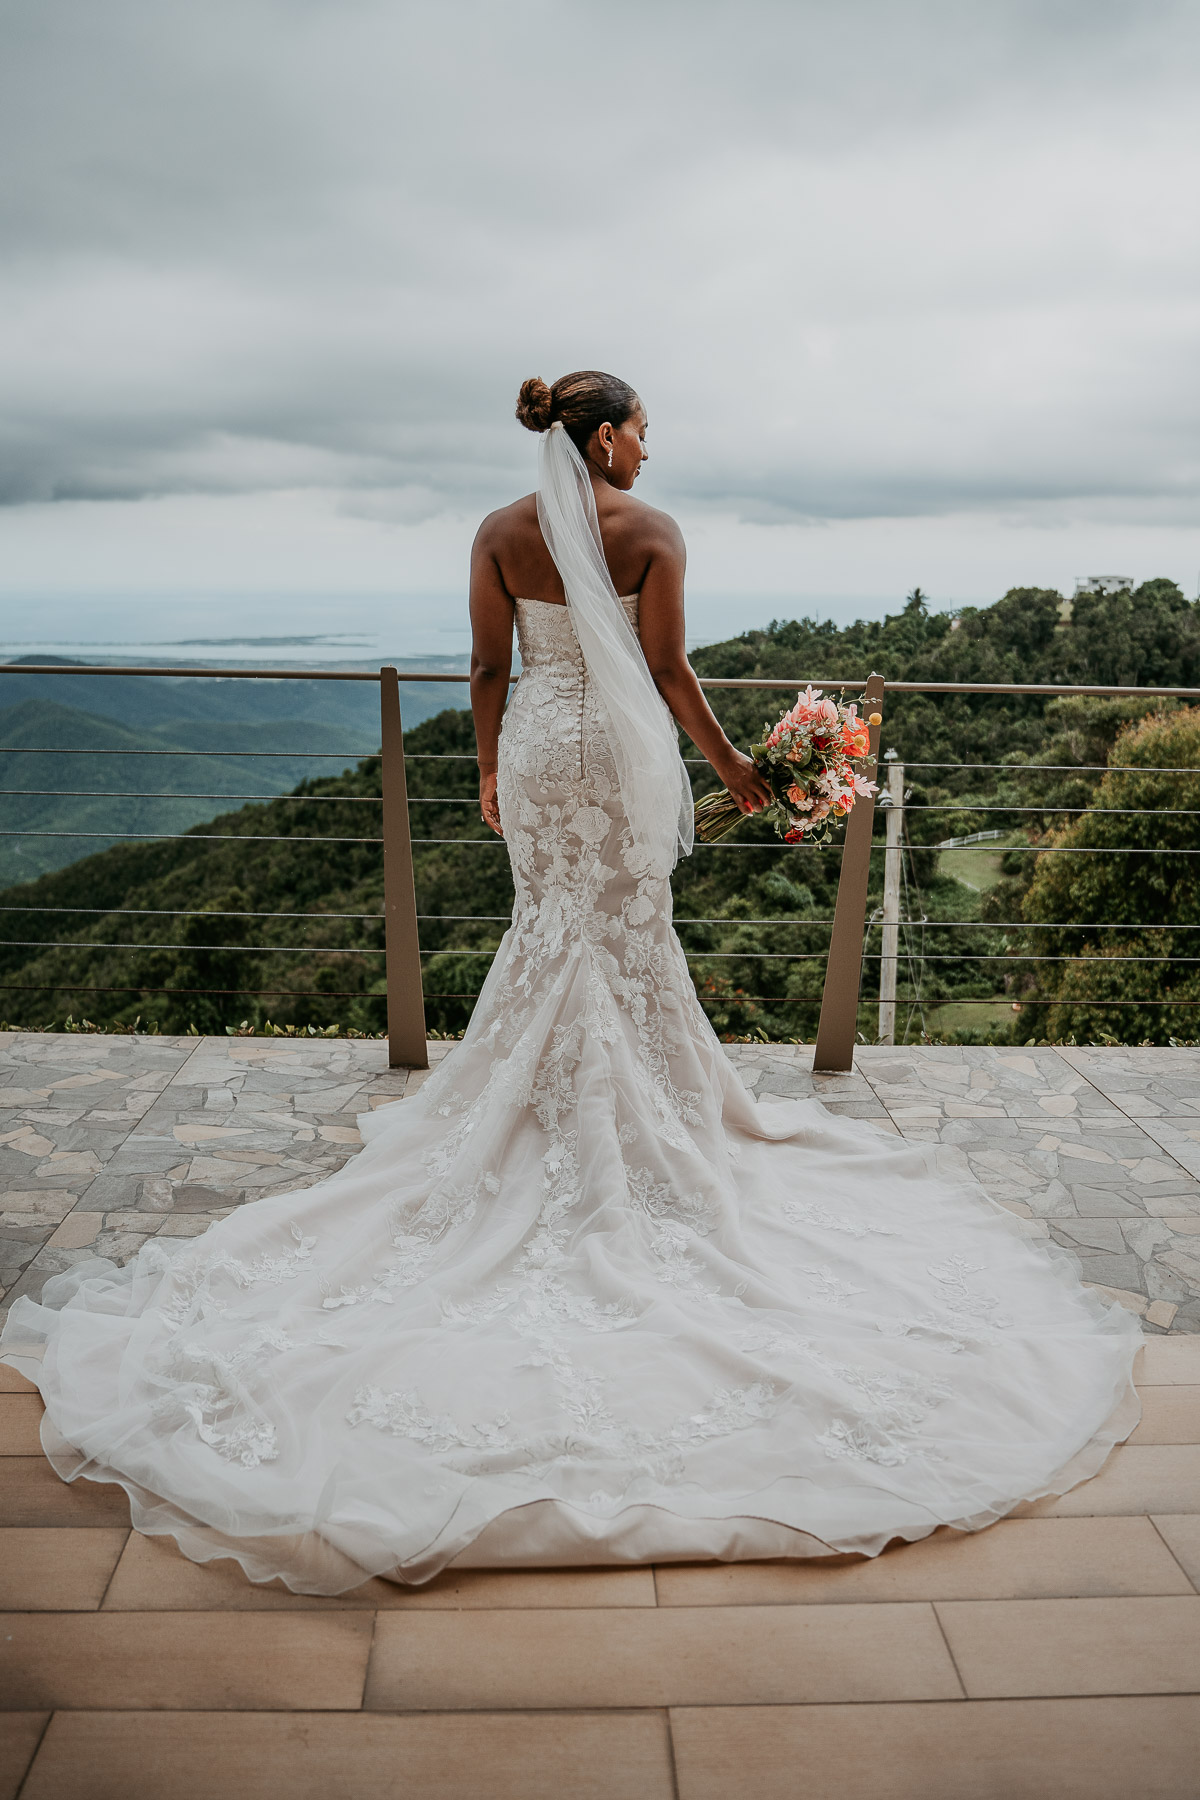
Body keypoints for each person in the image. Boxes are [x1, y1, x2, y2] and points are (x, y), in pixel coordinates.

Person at [0, 370, 1141, 1595]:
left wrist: (489, 776)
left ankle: (533, 1115)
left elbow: (485, 672)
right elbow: (670, 676)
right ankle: (638, 1123)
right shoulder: (650, 532)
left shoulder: (498, 533)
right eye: (643, 429)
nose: (650, 448)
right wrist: (739, 777)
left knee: (552, 930)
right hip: (623, 752)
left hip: (542, 747)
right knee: (625, 937)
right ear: (603, 436)